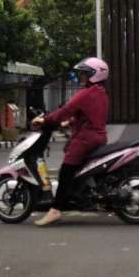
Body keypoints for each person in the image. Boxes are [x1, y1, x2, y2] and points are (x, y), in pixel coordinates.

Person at [30, 57, 110, 227]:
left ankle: (56, 209)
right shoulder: (101, 93)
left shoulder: (85, 94)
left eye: (84, 74)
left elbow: (65, 110)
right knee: (74, 168)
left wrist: (45, 121)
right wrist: (70, 122)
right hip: (98, 136)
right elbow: (90, 116)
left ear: (95, 75)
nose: (81, 78)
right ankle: (73, 197)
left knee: (65, 171)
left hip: (85, 139)